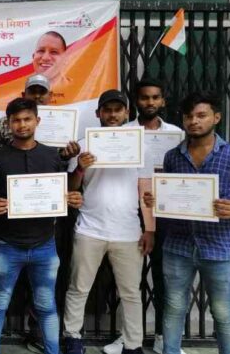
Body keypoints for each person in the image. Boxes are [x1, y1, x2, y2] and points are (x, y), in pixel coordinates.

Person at [0, 98, 83, 354]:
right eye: (16, 120)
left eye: (27, 119)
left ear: (37, 121)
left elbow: (64, 192)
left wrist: (72, 197)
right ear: (8, 124)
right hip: (7, 245)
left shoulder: (52, 157)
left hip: (44, 246)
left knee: (46, 307)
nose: (22, 124)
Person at [143, 91, 230, 354]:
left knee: (224, 312)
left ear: (216, 118)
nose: (194, 121)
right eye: (188, 116)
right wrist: (157, 200)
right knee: (174, 308)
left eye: (201, 115)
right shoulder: (172, 157)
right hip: (178, 247)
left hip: (219, 248)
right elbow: (172, 199)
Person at [63, 90, 153, 354]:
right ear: (98, 113)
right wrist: (80, 167)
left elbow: (145, 189)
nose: (112, 115)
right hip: (90, 228)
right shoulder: (83, 145)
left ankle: (133, 345)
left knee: (131, 293)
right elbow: (71, 189)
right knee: (78, 287)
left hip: (128, 231)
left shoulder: (140, 145)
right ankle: (72, 337)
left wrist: (150, 228)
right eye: (107, 110)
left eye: (118, 110)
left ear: (127, 113)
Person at [103, 79, 184, 354]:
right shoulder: (123, 132)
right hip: (130, 211)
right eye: (144, 97)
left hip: (165, 211)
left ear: (163, 101)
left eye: (155, 97)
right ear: (136, 102)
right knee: (128, 280)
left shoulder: (176, 134)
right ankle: (128, 337)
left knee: (163, 276)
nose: (150, 102)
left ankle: (163, 337)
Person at [0, 74, 79, 159]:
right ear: (24, 95)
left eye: (42, 92)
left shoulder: (64, 123)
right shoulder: (5, 123)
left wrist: (66, 155)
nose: (37, 96)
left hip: (49, 169)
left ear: (50, 95)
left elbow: (61, 159)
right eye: (32, 92)